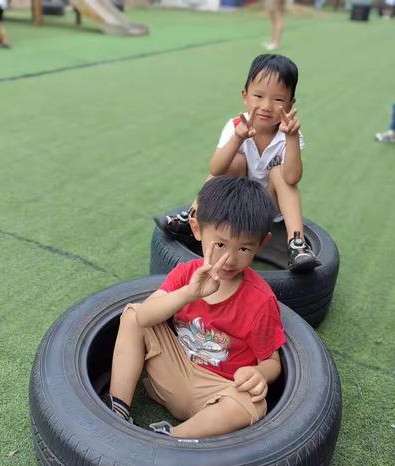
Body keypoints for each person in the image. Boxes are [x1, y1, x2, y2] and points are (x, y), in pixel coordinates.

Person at [104, 176, 285, 438]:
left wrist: (259, 373)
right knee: (132, 315)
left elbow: (272, 360)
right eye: (220, 244)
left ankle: (173, 438)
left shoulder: (261, 301)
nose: (229, 259)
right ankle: (118, 407)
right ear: (197, 229)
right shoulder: (186, 274)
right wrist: (189, 293)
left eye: (244, 248)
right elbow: (143, 316)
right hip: (172, 370)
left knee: (253, 404)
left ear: (262, 243)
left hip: (218, 390)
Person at [155, 54, 320, 273]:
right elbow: (215, 169)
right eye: (258, 96)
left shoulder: (288, 134)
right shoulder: (236, 125)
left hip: (268, 206)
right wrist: (238, 138)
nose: (266, 106)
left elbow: (292, 178)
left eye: (278, 100)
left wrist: (291, 137)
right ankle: (192, 215)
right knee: (233, 161)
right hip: (234, 203)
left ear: (290, 104)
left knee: (280, 172)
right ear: (245, 96)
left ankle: (297, 245)